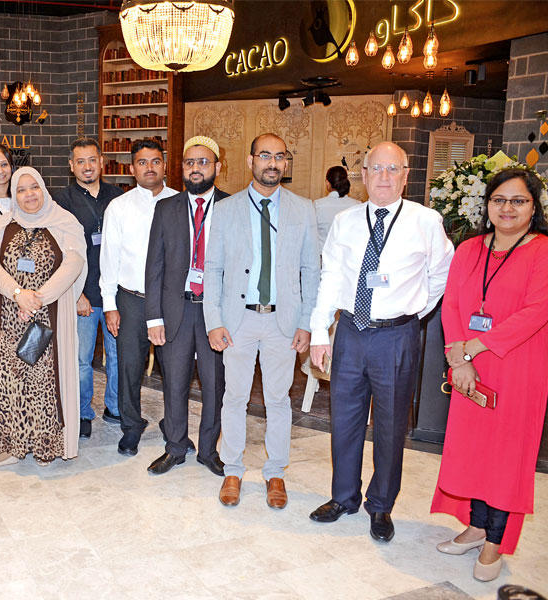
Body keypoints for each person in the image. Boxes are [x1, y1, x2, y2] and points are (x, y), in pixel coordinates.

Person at [308, 142, 454, 541]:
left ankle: (381, 505)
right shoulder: (346, 221)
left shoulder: (426, 221)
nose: (384, 177)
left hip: (396, 337)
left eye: (393, 169)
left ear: (406, 175)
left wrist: (413, 312)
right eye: (377, 169)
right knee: (345, 420)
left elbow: (442, 274)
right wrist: (320, 331)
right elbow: (331, 276)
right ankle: (343, 497)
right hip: (351, 333)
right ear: (364, 174)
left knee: (390, 426)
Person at [432, 168, 548, 581]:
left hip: (518, 368)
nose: (507, 208)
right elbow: (452, 306)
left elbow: (536, 312)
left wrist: (473, 348)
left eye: (518, 201)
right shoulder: (468, 249)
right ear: (487, 205)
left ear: (534, 207)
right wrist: (459, 358)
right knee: (475, 451)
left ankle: (495, 542)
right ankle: (477, 526)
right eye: (499, 200)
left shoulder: (542, 251)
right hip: (470, 369)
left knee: (507, 457)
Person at [204, 133, 319, 509]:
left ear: (286, 163)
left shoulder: (303, 209)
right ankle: (233, 469)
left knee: (279, 399)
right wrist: (213, 320)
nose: (272, 163)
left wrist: (306, 322)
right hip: (238, 320)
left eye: (279, 156)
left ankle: (275, 472)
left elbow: (310, 270)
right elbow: (213, 268)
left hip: (282, 322)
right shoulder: (226, 209)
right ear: (250, 160)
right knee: (234, 397)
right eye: (265, 155)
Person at [0, 166, 86, 468]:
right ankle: (12, 446)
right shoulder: (4, 224)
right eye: (21, 190)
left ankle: (45, 443)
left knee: (44, 381)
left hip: (49, 316)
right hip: (10, 317)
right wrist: (18, 294)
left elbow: (74, 262)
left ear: (43, 189)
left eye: (34, 187)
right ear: (14, 195)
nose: (29, 195)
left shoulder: (64, 221)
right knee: (11, 379)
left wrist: (37, 298)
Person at [145, 136, 229, 476]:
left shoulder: (232, 207)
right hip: (176, 310)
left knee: (214, 385)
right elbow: (154, 266)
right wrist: (154, 317)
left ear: (218, 167)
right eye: (190, 162)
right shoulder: (166, 208)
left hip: (215, 314)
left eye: (203, 162)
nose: (196, 168)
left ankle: (208, 450)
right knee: (174, 384)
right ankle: (176, 447)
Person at [99, 139, 177, 456]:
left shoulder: (180, 202)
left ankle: (174, 426)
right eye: (142, 162)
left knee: (174, 368)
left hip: (171, 301)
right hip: (131, 299)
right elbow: (109, 259)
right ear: (132, 169)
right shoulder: (119, 207)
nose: (149, 167)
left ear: (164, 165)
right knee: (129, 367)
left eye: (155, 161)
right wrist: (110, 305)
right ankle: (131, 426)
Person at [54, 138, 123, 439]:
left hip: (114, 295)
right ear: (71, 166)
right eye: (80, 161)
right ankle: (82, 411)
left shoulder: (117, 197)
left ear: (102, 161)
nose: (87, 166)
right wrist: (75, 291)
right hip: (82, 295)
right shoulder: (61, 201)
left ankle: (115, 407)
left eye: (92, 160)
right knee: (81, 360)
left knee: (117, 356)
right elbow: (57, 250)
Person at [313, 166, 360, 254]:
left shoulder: (317, 205)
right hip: (349, 257)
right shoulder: (358, 206)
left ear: (327, 183)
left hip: (323, 257)